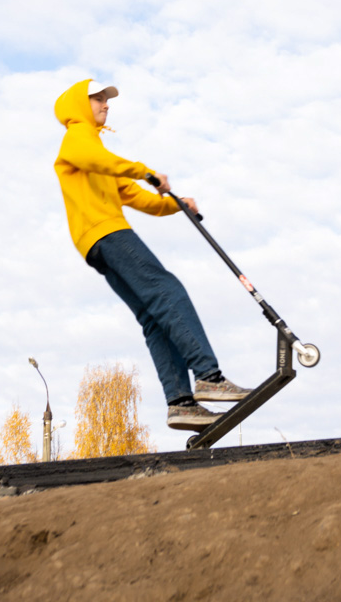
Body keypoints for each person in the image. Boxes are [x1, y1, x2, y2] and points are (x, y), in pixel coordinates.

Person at [54, 79, 250, 433]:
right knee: (167, 291)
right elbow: (101, 161)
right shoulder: (78, 135)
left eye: (106, 99)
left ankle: (180, 403)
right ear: (80, 105)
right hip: (107, 232)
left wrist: (175, 205)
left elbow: (135, 196)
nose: (106, 105)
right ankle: (208, 376)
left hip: (95, 242)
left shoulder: (97, 153)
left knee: (153, 316)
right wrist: (144, 170)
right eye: (98, 99)